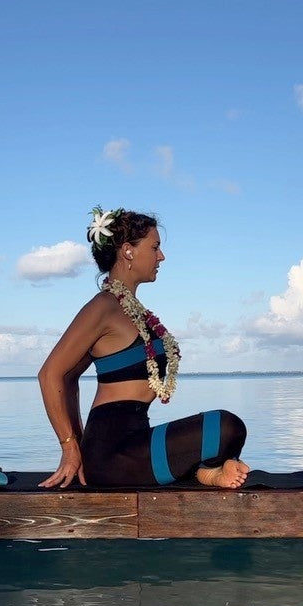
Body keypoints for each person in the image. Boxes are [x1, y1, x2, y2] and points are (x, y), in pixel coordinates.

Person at [38, 206, 250, 489]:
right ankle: (204, 473)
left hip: (138, 438)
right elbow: (51, 374)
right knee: (226, 426)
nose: (161, 256)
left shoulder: (135, 311)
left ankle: (204, 473)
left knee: (230, 430)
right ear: (128, 250)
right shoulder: (102, 307)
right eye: (155, 247)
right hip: (111, 452)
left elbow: (70, 379)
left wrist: (78, 440)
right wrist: (71, 447)